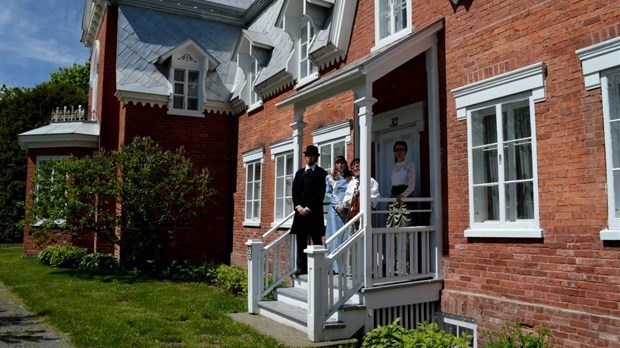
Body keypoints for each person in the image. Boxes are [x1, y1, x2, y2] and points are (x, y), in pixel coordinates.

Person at [290, 145, 328, 277]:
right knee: (301, 241)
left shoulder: (322, 173)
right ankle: (301, 268)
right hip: (300, 214)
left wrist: (308, 208)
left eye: (311, 155)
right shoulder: (299, 173)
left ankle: (318, 270)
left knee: (316, 241)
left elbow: (320, 193)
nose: (308, 157)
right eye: (307, 155)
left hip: (314, 213)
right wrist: (298, 206)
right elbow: (294, 192)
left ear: (316, 158)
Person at [325, 156, 352, 273]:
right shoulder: (330, 178)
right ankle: (334, 266)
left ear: (345, 164)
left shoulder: (350, 178)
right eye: (338, 163)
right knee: (334, 237)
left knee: (345, 236)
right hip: (334, 211)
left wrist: (345, 205)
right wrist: (338, 205)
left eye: (342, 163)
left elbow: (352, 192)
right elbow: (329, 194)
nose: (340, 165)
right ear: (335, 165)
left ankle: (345, 266)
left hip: (347, 209)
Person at [386, 141, 416, 227]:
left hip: (404, 200)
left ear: (405, 151)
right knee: (392, 225)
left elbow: (412, 186)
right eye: (396, 150)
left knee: (404, 224)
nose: (399, 152)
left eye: (401, 149)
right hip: (393, 198)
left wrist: (402, 195)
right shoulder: (393, 166)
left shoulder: (410, 165)